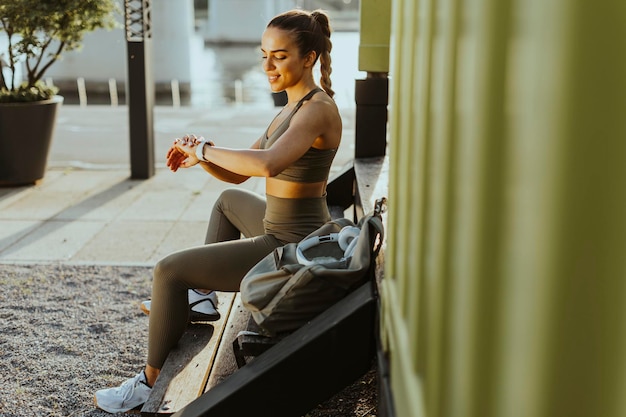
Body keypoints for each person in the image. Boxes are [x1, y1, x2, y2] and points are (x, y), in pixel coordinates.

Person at [94, 8, 342, 413]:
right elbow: (240, 178)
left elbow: (266, 164)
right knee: (227, 203)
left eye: (279, 56)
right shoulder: (291, 108)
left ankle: (148, 383)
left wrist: (204, 148)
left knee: (169, 271)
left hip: (292, 246)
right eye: (264, 54)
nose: (267, 65)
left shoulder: (317, 109)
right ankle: (203, 298)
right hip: (282, 228)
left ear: (309, 58)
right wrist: (203, 158)